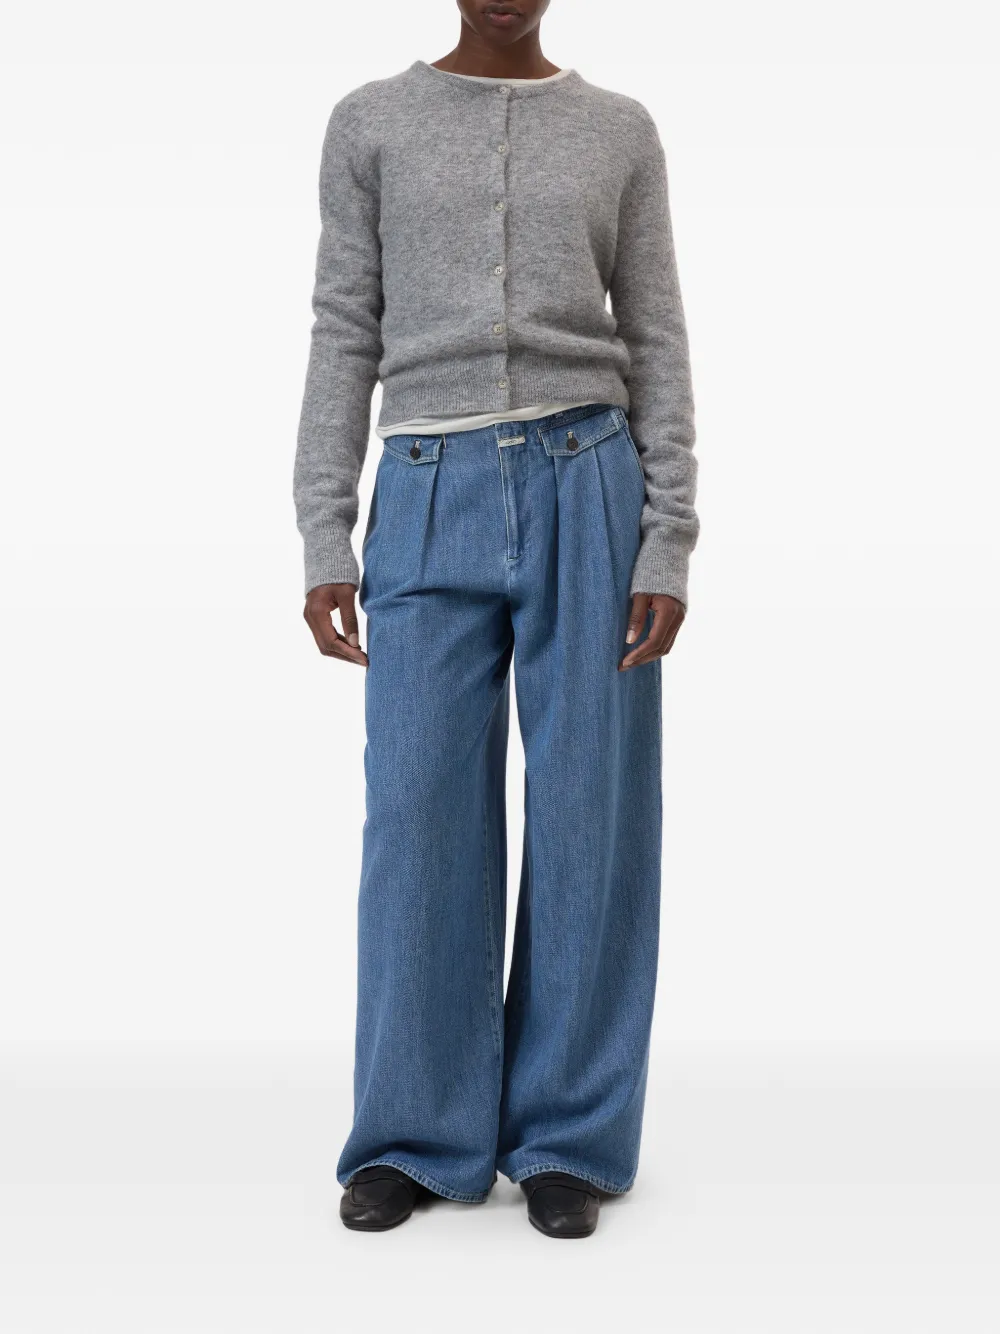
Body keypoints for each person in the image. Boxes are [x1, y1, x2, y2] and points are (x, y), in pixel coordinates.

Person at [293, 0, 698, 1239]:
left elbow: (656, 335)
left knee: (590, 816)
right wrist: (323, 528)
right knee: (417, 816)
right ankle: (414, 1135)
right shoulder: (370, 123)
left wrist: (667, 533)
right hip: (424, 487)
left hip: (591, 480)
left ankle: (568, 1135)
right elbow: (344, 328)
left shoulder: (618, 130)